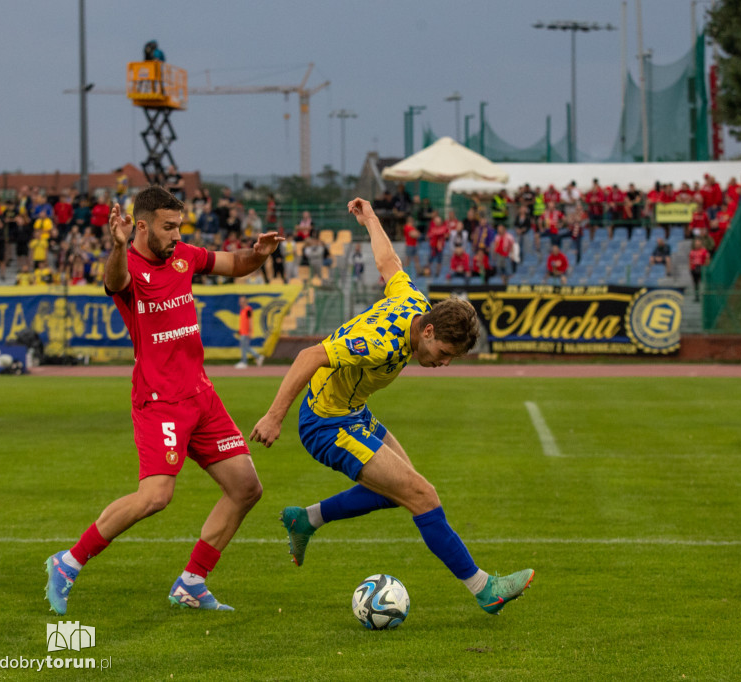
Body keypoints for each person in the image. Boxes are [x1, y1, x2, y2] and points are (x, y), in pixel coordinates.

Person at [249, 197, 534, 616]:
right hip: (327, 425)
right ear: (429, 330)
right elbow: (309, 356)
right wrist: (274, 417)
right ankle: (483, 588)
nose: (443, 363)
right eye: (443, 352)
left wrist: (371, 219)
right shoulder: (380, 343)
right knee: (421, 493)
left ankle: (305, 519)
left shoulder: (415, 303)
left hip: (352, 412)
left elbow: (389, 263)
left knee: (401, 489)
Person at [44, 186, 284, 615]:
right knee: (155, 496)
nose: (177, 235)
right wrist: (117, 248)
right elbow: (113, 282)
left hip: (200, 395)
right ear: (141, 226)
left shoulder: (184, 256)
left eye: (179, 226)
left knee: (246, 488)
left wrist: (259, 253)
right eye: (169, 227)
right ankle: (68, 562)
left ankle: (192, 582)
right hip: (160, 400)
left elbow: (236, 264)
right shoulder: (128, 267)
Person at [236, 295, 265, 369]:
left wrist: (250, 331)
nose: (240, 303)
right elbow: (243, 321)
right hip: (242, 332)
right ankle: (257, 357)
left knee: (244, 347)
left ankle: (245, 361)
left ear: (245, 302)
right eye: (240, 301)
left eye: (242, 301)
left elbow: (250, 321)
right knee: (245, 347)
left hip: (246, 332)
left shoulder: (248, 310)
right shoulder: (242, 310)